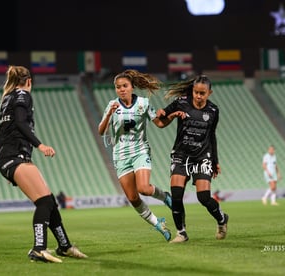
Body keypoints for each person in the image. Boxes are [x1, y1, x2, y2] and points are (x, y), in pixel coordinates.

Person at [0, 65, 87, 263]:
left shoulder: (7, 99)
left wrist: (8, 168)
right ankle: (39, 249)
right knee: (44, 202)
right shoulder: (23, 95)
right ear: (29, 81)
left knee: (50, 202)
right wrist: (40, 145)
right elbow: (20, 123)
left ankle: (65, 246)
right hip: (15, 157)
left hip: (9, 158)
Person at [97, 69, 173, 242]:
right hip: (121, 155)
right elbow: (101, 131)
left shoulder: (143, 103)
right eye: (118, 87)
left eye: (124, 86)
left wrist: (173, 116)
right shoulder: (112, 105)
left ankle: (165, 197)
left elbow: (159, 123)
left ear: (132, 87)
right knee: (132, 197)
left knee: (144, 188)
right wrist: (109, 113)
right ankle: (157, 223)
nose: (121, 90)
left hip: (140, 150)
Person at [156, 75, 229, 243]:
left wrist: (215, 161)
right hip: (181, 155)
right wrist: (162, 113)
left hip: (202, 156)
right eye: (196, 92)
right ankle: (181, 233)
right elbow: (162, 116)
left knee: (203, 197)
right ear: (192, 91)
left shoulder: (213, 111)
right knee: (176, 195)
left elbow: (212, 136)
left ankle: (222, 219)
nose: (198, 96)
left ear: (209, 93)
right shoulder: (181, 102)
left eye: (202, 93)